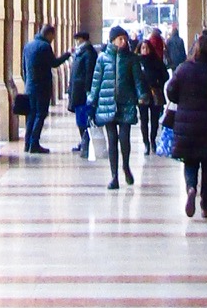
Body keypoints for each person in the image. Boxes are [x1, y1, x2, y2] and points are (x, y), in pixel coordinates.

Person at [167, 29, 207, 217]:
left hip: (187, 125)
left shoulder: (184, 69)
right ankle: (205, 204)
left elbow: (171, 91)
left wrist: (182, 99)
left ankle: (191, 188)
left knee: (190, 162)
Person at [87, 24, 145, 188]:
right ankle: (114, 176)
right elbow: (96, 82)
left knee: (124, 138)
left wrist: (142, 95)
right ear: (113, 40)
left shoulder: (132, 59)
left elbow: (138, 80)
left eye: (125, 39)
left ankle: (126, 166)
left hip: (126, 104)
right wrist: (91, 101)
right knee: (112, 140)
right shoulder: (103, 59)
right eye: (121, 39)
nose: (124, 41)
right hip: (107, 104)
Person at [19, 21, 66, 155]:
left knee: (31, 115)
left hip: (30, 86)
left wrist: (28, 82)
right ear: (49, 34)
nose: (53, 39)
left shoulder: (28, 45)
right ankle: (34, 143)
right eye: (53, 36)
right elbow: (54, 63)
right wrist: (67, 55)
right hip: (42, 87)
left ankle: (27, 143)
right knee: (40, 114)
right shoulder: (45, 47)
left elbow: (23, 68)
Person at [138, 27, 169, 153]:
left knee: (154, 119)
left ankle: (152, 140)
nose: (145, 50)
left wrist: (158, 83)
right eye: (143, 48)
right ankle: (145, 142)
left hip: (155, 93)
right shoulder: (137, 62)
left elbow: (165, 75)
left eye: (146, 48)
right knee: (144, 119)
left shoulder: (156, 61)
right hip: (142, 94)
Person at [67, 28, 97, 156]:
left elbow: (89, 73)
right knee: (81, 118)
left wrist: (88, 91)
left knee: (83, 118)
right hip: (78, 90)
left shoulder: (88, 53)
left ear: (82, 40)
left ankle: (86, 143)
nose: (76, 43)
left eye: (77, 40)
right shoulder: (82, 52)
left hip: (82, 92)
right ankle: (84, 141)